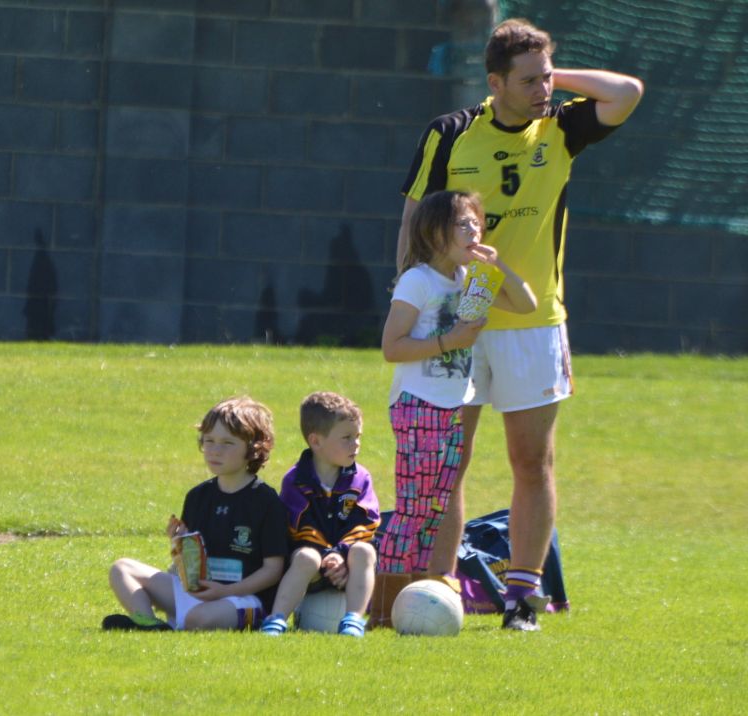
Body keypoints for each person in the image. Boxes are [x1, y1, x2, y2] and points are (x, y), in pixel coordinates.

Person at [397, 18, 642, 631]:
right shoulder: (451, 134)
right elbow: (411, 227)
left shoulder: (563, 126)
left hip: (534, 324)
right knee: (449, 461)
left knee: (532, 461)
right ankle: (437, 590)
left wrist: (560, 75)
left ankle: (522, 599)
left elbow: (627, 91)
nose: (543, 90)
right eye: (529, 80)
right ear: (495, 81)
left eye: (547, 77)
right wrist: (412, 301)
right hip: (458, 323)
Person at [377, 191, 534, 586]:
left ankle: (419, 591)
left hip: (453, 409)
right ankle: (383, 598)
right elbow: (392, 348)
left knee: (436, 508)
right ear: (433, 233)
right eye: (463, 224)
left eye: (477, 223)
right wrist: (451, 341)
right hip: (418, 406)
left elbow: (527, 302)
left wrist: (498, 266)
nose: (475, 230)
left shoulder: (470, 279)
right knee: (413, 510)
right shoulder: (418, 280)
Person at [103, 397, 289, 632]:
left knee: (198, 620)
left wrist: (226, 591)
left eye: (227, 443)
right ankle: (150, 624)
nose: (214, 450)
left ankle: (181, 621)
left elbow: (273, 571)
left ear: (254, 448)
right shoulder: (198, 496)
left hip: (240, 598)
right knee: (122, 568)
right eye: (209, 441)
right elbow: (190, 563)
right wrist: (180, 543)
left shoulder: (266, 501)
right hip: (198, 593)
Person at [260, 392, 380, 637]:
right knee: (306, 557)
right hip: (313, 566)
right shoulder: (296, 480)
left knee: (365, 551)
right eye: (346, 438)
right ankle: (277, 619)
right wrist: (328, 555)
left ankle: (354, 620)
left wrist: (342, 554)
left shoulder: (360, 478)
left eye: (358, 437)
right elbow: (298, 527)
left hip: (347, 565)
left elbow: (367, 522)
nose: (355, 444)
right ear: (316, 441)